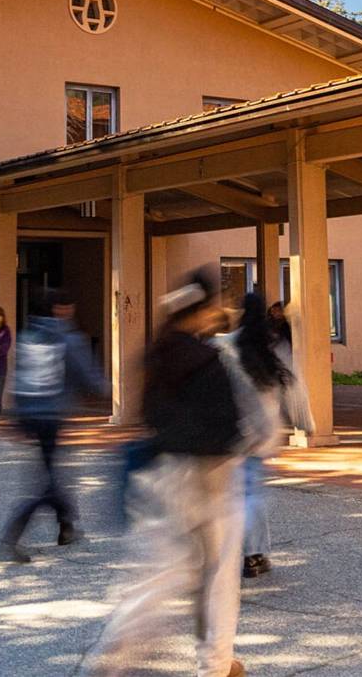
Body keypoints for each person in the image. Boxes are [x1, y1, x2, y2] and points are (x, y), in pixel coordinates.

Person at [92, 270, 248, 677]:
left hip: (163, 473)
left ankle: (114, 653)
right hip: (210, 477)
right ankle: (215, 665)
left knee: (162, 573)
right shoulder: (207, 361)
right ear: (203, 309)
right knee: (218, 578)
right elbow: (227, 426)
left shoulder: (157, 354)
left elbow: (148, 414)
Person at [0, 289, 108, 563]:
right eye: (67, 307)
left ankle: (66, 526)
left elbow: (19, 378)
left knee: (52, 474)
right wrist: (108, 388)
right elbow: (88, 376)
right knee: (47, 484)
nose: (70, 312)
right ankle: (11, 540)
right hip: (51, 416)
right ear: (58, 309)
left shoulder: (27, 337)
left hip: (30, 415)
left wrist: (14, 415)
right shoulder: (67, 339)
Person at [217, 291, 313, 579]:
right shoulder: (273, 347)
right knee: (250, 493)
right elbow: (293, 386)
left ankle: (236, 550)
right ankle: (254, 554)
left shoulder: (226, 346)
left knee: (232, 493)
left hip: (231, 433)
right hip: (261, 435)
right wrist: (304, 421)